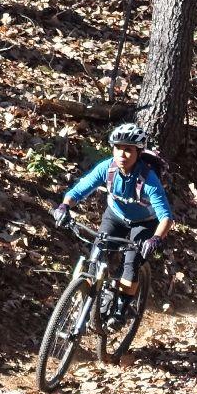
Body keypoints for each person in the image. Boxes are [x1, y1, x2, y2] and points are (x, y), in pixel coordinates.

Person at [50, 122, 172, 328]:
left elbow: (166, 217)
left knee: (131, 264)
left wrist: (155, 238)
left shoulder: (148, 179)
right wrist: (64, 206)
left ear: (138, 152)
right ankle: (88, 302)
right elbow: (80, 189)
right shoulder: (108, 168)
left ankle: (121, 309)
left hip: (144, 224)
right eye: (118, 148)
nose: (122, 154)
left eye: (128, 150)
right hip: (115, 216)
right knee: (96, 256)